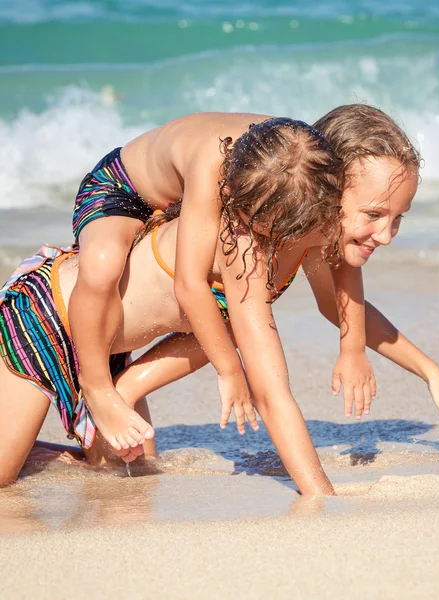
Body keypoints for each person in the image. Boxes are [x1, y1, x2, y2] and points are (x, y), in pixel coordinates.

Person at [66, 113, 374, 457]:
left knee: (226, 321)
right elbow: (189, 283)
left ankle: (123, 390)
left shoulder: (298, 164)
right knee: (103, 264)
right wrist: (229, 370)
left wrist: (354, 348)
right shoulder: (216, 167)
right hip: (121, 188)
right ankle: (95, 386)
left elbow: (337, 252)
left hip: (177, 203)